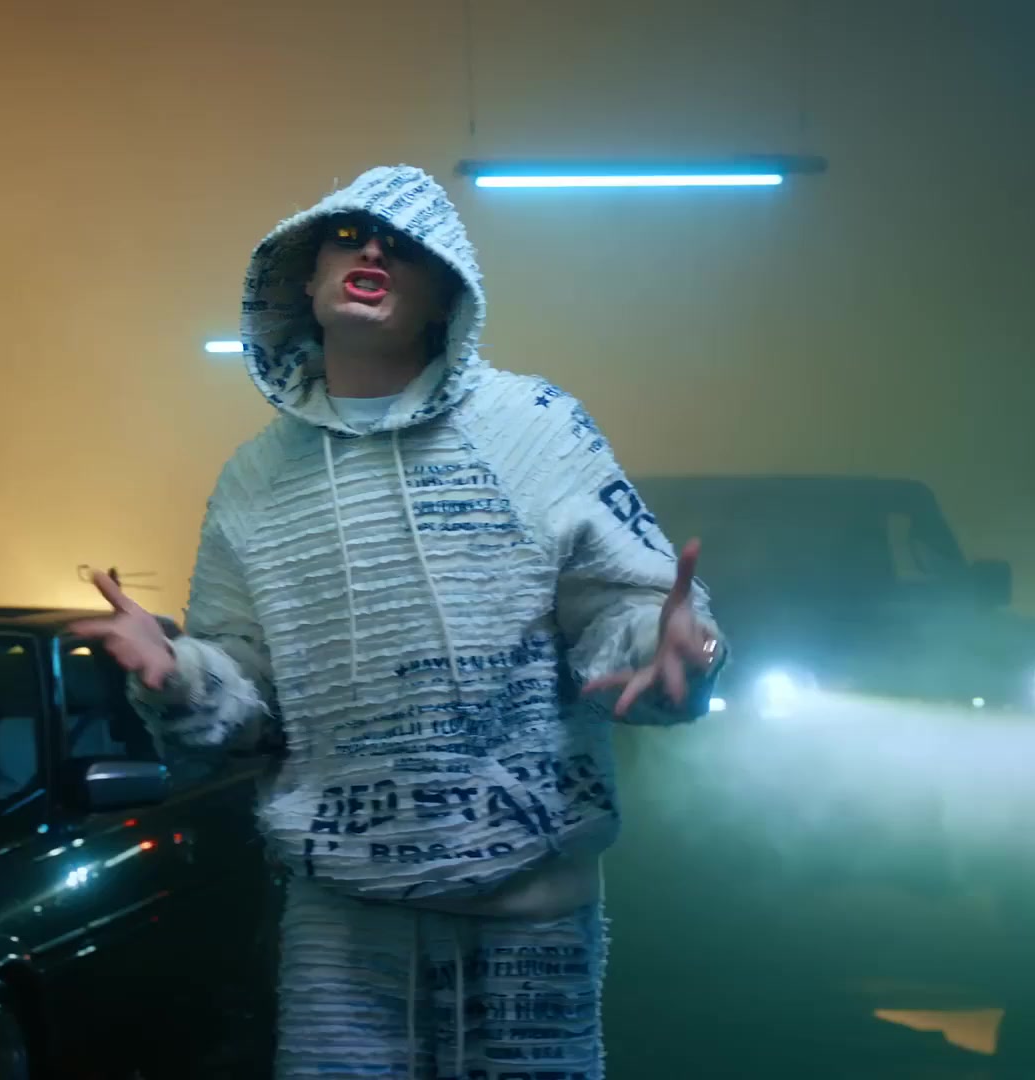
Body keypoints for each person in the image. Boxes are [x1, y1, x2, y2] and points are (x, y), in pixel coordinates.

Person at [73, 166, 725, 1080]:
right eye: (346, 236)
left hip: (533, 915)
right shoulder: (256, 481)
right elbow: (248, 695)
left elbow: (625, 610)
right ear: (305, 279)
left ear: (445, 297)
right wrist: (181, 676)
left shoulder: (535, 429)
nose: (373, 248)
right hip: (341, 928)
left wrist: (669, 650)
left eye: (404, 245)